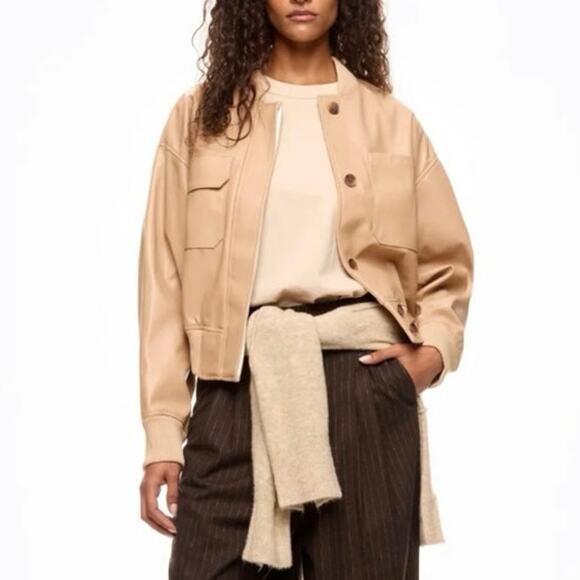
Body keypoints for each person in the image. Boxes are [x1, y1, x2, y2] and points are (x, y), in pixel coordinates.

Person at [137, 1, 474, 578]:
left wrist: (430, 356)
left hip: (361, 384)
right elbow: (164, 280)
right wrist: (163, 434)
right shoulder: (200, 119)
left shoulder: (391, 123)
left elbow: (447, 263)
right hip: (236, 384)